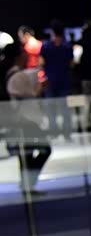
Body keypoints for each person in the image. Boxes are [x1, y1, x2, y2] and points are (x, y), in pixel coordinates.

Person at [0, 41, 51, 192]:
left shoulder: (10, 73)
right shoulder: (18, 76)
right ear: (18, 56)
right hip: (24, 120)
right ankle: (28, 183)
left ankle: (27, 185)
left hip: (18, 120)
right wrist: (41, 87)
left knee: (26, 154)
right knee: (43, 149)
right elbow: (31, 95)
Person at [39, 20, 73, 139]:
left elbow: (41, 63)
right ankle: (67, 134)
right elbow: (71, 63)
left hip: (50, 80)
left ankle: (54, 133)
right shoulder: (67, 46)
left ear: (52, 32)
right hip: (64, 80)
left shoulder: (46, 46)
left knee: (51, 109)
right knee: (65, 109)